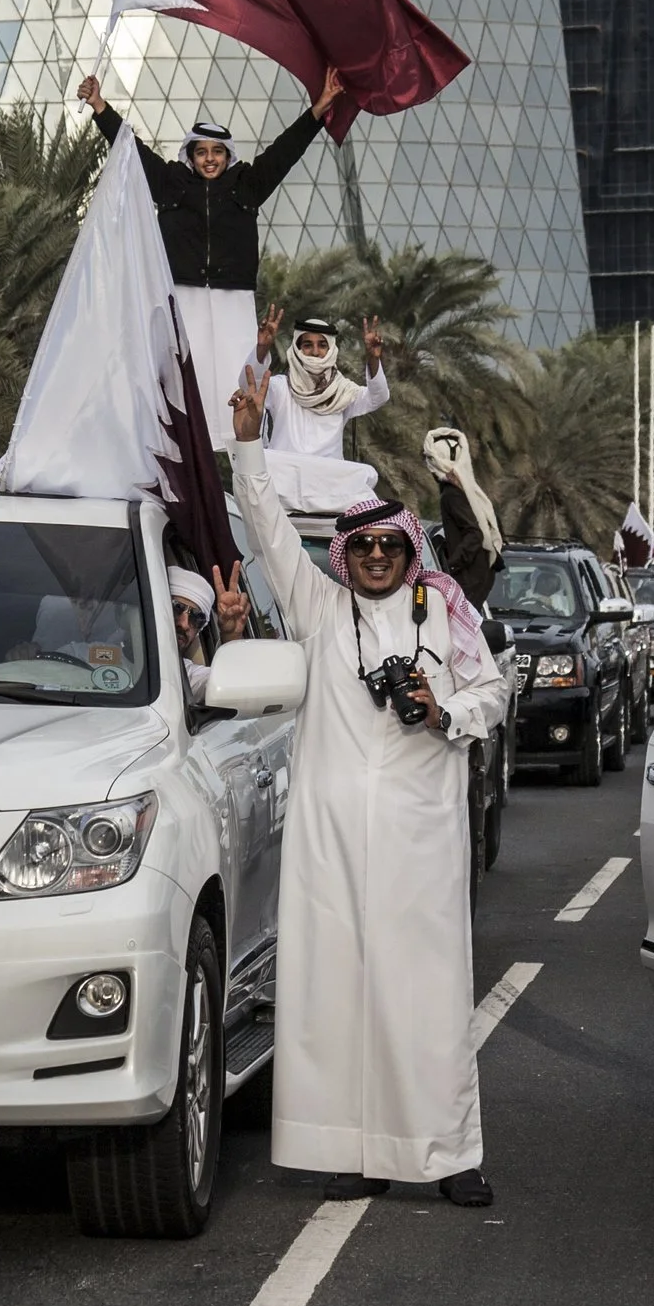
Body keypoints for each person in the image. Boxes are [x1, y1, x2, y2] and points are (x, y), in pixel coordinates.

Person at [229, 355, 511, 1206]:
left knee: (425, 995)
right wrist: (248, 447)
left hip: (422, 835)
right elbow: (269, 527)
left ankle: (448, 1156)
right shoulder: (320, 610)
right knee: (335, 994)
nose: (380, 557)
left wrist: (443, 712)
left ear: (409, 551)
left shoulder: (445, 612)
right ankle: (350, 1152)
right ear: (346, 556)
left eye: (393, 545)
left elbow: (493, 693)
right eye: (366, 548)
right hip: (328, 841)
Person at [75, 68, 345, 427]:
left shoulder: (246, 184)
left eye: (217, 151)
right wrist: (98, 106)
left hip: (232, 298)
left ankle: (244, 461)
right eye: (201, 152)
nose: (210, 159)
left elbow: (285, 152)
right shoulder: (171, 182)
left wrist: (318, 110)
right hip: (183, 296)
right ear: (190, 154)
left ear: (228, 155)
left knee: (239, 385)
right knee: (180, 385)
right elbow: (131, 149)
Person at [254, 309, 391, 512]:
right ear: (297, 349)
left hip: (328, 486)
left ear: (331, 349)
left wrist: (373, 359)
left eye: (322, 345)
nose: (315, 352)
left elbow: (378, 396)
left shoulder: (343, 391)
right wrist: (262, 348)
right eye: (308, 345)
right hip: (285, 484)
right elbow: (253, 387)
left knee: (365, 478)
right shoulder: (281, 387)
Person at [422, 424, 504, 604]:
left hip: (468, 580)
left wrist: (451, 565)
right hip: (476, 577)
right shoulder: (465, 492)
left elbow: (474, 533)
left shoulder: (452, 495)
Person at [168, 562, 256, 712]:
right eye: (177, 608)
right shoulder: (114, 651)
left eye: (196, 618)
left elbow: (229, 685)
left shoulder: (184, 676)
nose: (184, 624)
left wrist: (231, 637)